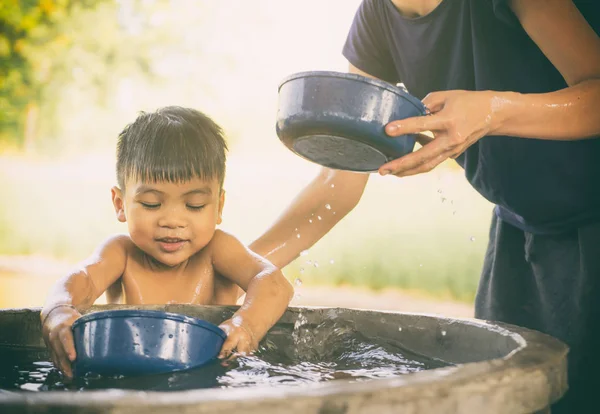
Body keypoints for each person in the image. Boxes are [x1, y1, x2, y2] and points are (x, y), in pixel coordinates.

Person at [250, 0, 600, 412]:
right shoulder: (378, 14)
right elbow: (338, 178)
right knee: (510, 397)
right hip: (518, 236)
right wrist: (247, 268)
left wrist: (494, 111)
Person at [40, 106, 294, 378]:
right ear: (120, 203)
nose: (172, 221)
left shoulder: (218, 250)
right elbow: (82, 279)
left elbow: (274, 283)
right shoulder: (120, 254)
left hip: (208, 382)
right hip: (127, 380)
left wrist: (246, 325)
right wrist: (58, 310)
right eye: (152, 204)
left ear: (218, 206)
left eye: (194, 205)